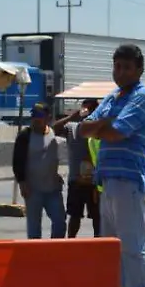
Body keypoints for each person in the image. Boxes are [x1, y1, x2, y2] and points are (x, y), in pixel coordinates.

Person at [79, 44, 145, 287]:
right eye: (116, 66)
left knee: (133, 245)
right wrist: (103, 124)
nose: (120, 72)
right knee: (113, 246)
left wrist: (102, 124)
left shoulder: (143, 98)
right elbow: (83, 128)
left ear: (138, 69)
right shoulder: (112, 97)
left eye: (126, 67)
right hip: (108, 181)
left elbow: (114, 132)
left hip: (129, 180)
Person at [12, 102, 66, 239]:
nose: (36, 119)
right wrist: (22, 182)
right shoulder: (25, 135)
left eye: (39, 115)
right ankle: (35, 256)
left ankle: (55, 251)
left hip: (53, 189)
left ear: (47, 117)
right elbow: (17, 161)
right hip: (32, 189)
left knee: (60, 222)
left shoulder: (53, 132)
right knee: (34, 226)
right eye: (33, 115)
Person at [53, 98, 100, 238]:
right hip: (76, 180)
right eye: (85, 107)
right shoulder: (72, 127)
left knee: (97, 216)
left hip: (95, 182)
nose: (87, 111)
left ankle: (99, 244)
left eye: (91, 108)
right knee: (74, 215)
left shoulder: (98, 127)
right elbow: (54, 129)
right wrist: (72, 117)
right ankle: (71, 242)